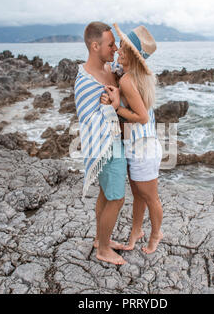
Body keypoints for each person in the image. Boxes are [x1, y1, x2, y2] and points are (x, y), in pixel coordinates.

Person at [101, 24, 163, 254]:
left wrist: (117, 107)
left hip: (143, 148)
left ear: (130, 55)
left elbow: (143, 117)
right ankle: (136, 231)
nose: (117, 50)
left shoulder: (128, 80)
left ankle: (156, 234)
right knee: (138, 194)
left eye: (122, 48)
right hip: (138, 145)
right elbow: (111, 66)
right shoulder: (134, 75)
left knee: (150, 197)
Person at [74, 21, 128, 265]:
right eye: (110, 44)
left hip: (116, 140)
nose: (115, 48)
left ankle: (99, 240)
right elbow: (87, 120)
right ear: (95, 46)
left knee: (106, 195)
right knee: (116, 198)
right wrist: (110, 107)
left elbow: (132, 62)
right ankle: (104, 250)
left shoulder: (110, 68)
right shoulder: (85, 81)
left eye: (115, 44)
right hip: (105, 146)